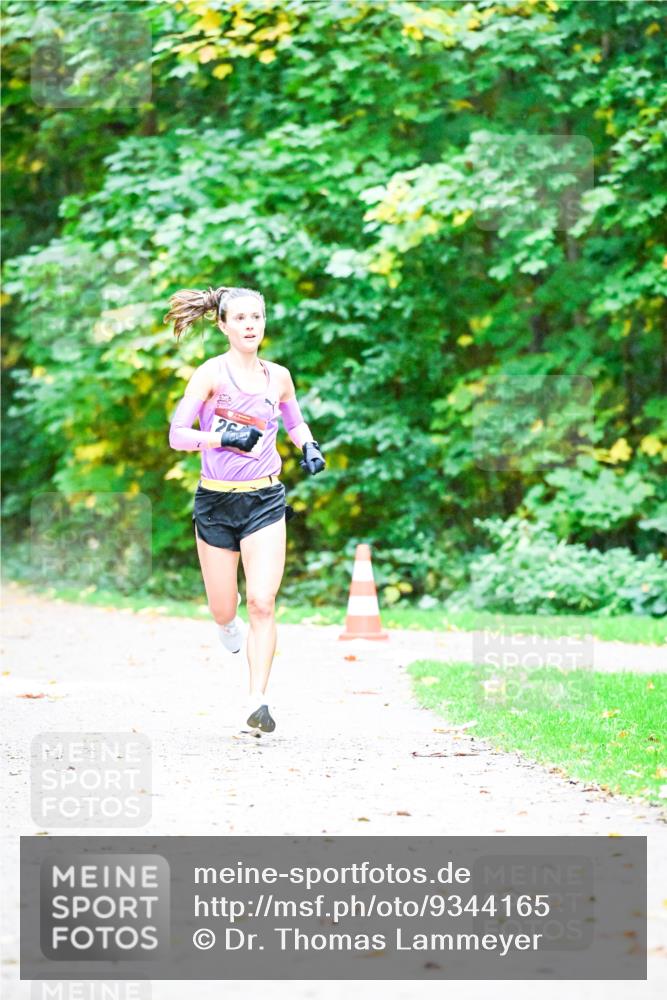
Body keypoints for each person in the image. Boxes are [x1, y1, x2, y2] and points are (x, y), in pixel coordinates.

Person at [165, 285, 325, 737]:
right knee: (224, 609)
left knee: (262, 602)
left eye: (256, 317)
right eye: (240, 318)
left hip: (264, 500)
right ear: (223, 325)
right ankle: (225, 623)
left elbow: (294, 421)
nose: (250, 325)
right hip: (216, 502)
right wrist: (223, 438)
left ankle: (258, 701)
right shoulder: (210, 375)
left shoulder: (279, 377)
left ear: (264, 322)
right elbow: (178, 434)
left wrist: (308, 446)